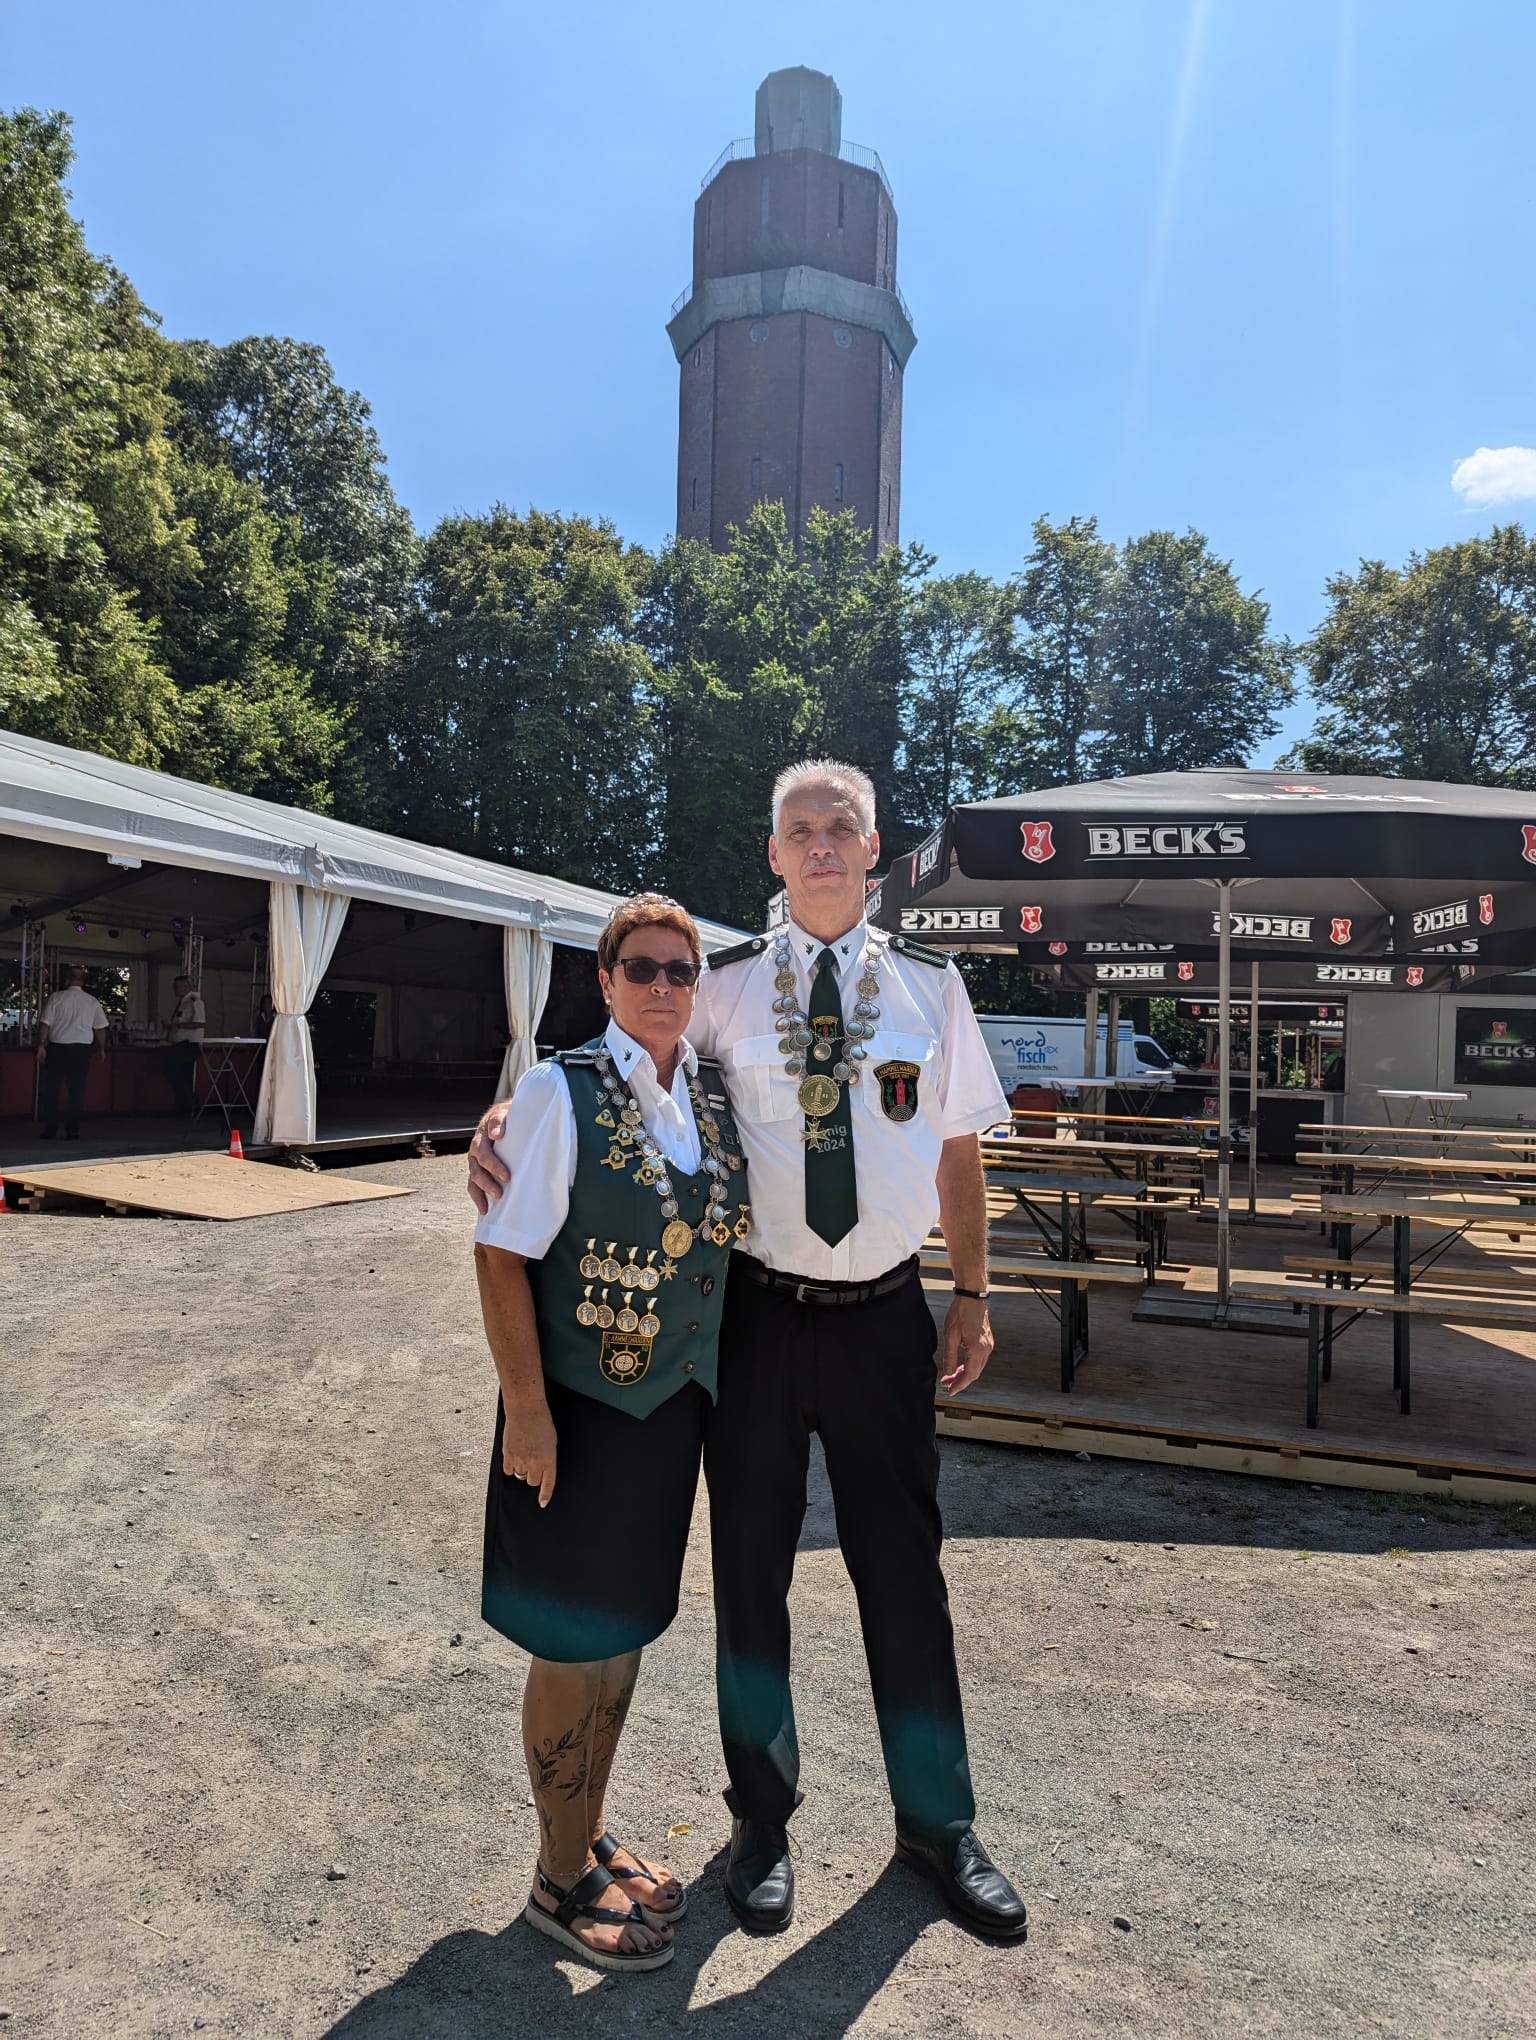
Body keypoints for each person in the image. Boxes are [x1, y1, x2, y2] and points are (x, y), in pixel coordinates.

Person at [469, 760, 1028, 1943]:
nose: (821, 845)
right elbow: (634, 1070)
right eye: (799, 830)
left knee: (905, 1574)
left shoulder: (933, 988)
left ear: (874, 851)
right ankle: (761, 1820)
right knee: (751, 1576)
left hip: (885, 1314)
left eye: (841, 828)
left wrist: (972, 1293)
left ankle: (939, 1824)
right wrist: (506, 1116)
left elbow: (959, 1153)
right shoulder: (717, 986)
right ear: (773, 856)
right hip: (757, 1321)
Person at [472, 893, 748, 1975]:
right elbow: (500, 1255)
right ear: (605, 980)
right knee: (570, 1646)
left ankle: (584, 1832)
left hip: (667, 1413)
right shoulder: (559, 1089)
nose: (663, 986)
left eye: (681, 971)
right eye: (642, 968)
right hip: (577, 1415)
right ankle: (555, 1878)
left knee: (620, 1636)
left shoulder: (711, 1093)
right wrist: (528, 1414)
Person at [35, 966, 108, 1140]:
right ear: (82, 982)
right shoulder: (92, 1002)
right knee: (77, 1090)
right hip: (81, 1050)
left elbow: (45, 1024)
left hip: (58, 1048)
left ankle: (51, 1128)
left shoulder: (56, 998)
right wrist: (101, 1048)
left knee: (52, 1089)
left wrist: (41, 1045)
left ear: (66, 980)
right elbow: (100, 1028)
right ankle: (73, 1129)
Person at [164, 974, 206, 1116]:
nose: (175, 990)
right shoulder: (183, 1002)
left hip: (188, 1044)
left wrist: (178, 1025)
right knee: (178, 1075)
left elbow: (200, 1023)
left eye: (178, 986)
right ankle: (183, 1106)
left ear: (187, 987)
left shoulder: (195, 1002)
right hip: (178, 1043)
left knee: (181, 1075)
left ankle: (189, 1103)